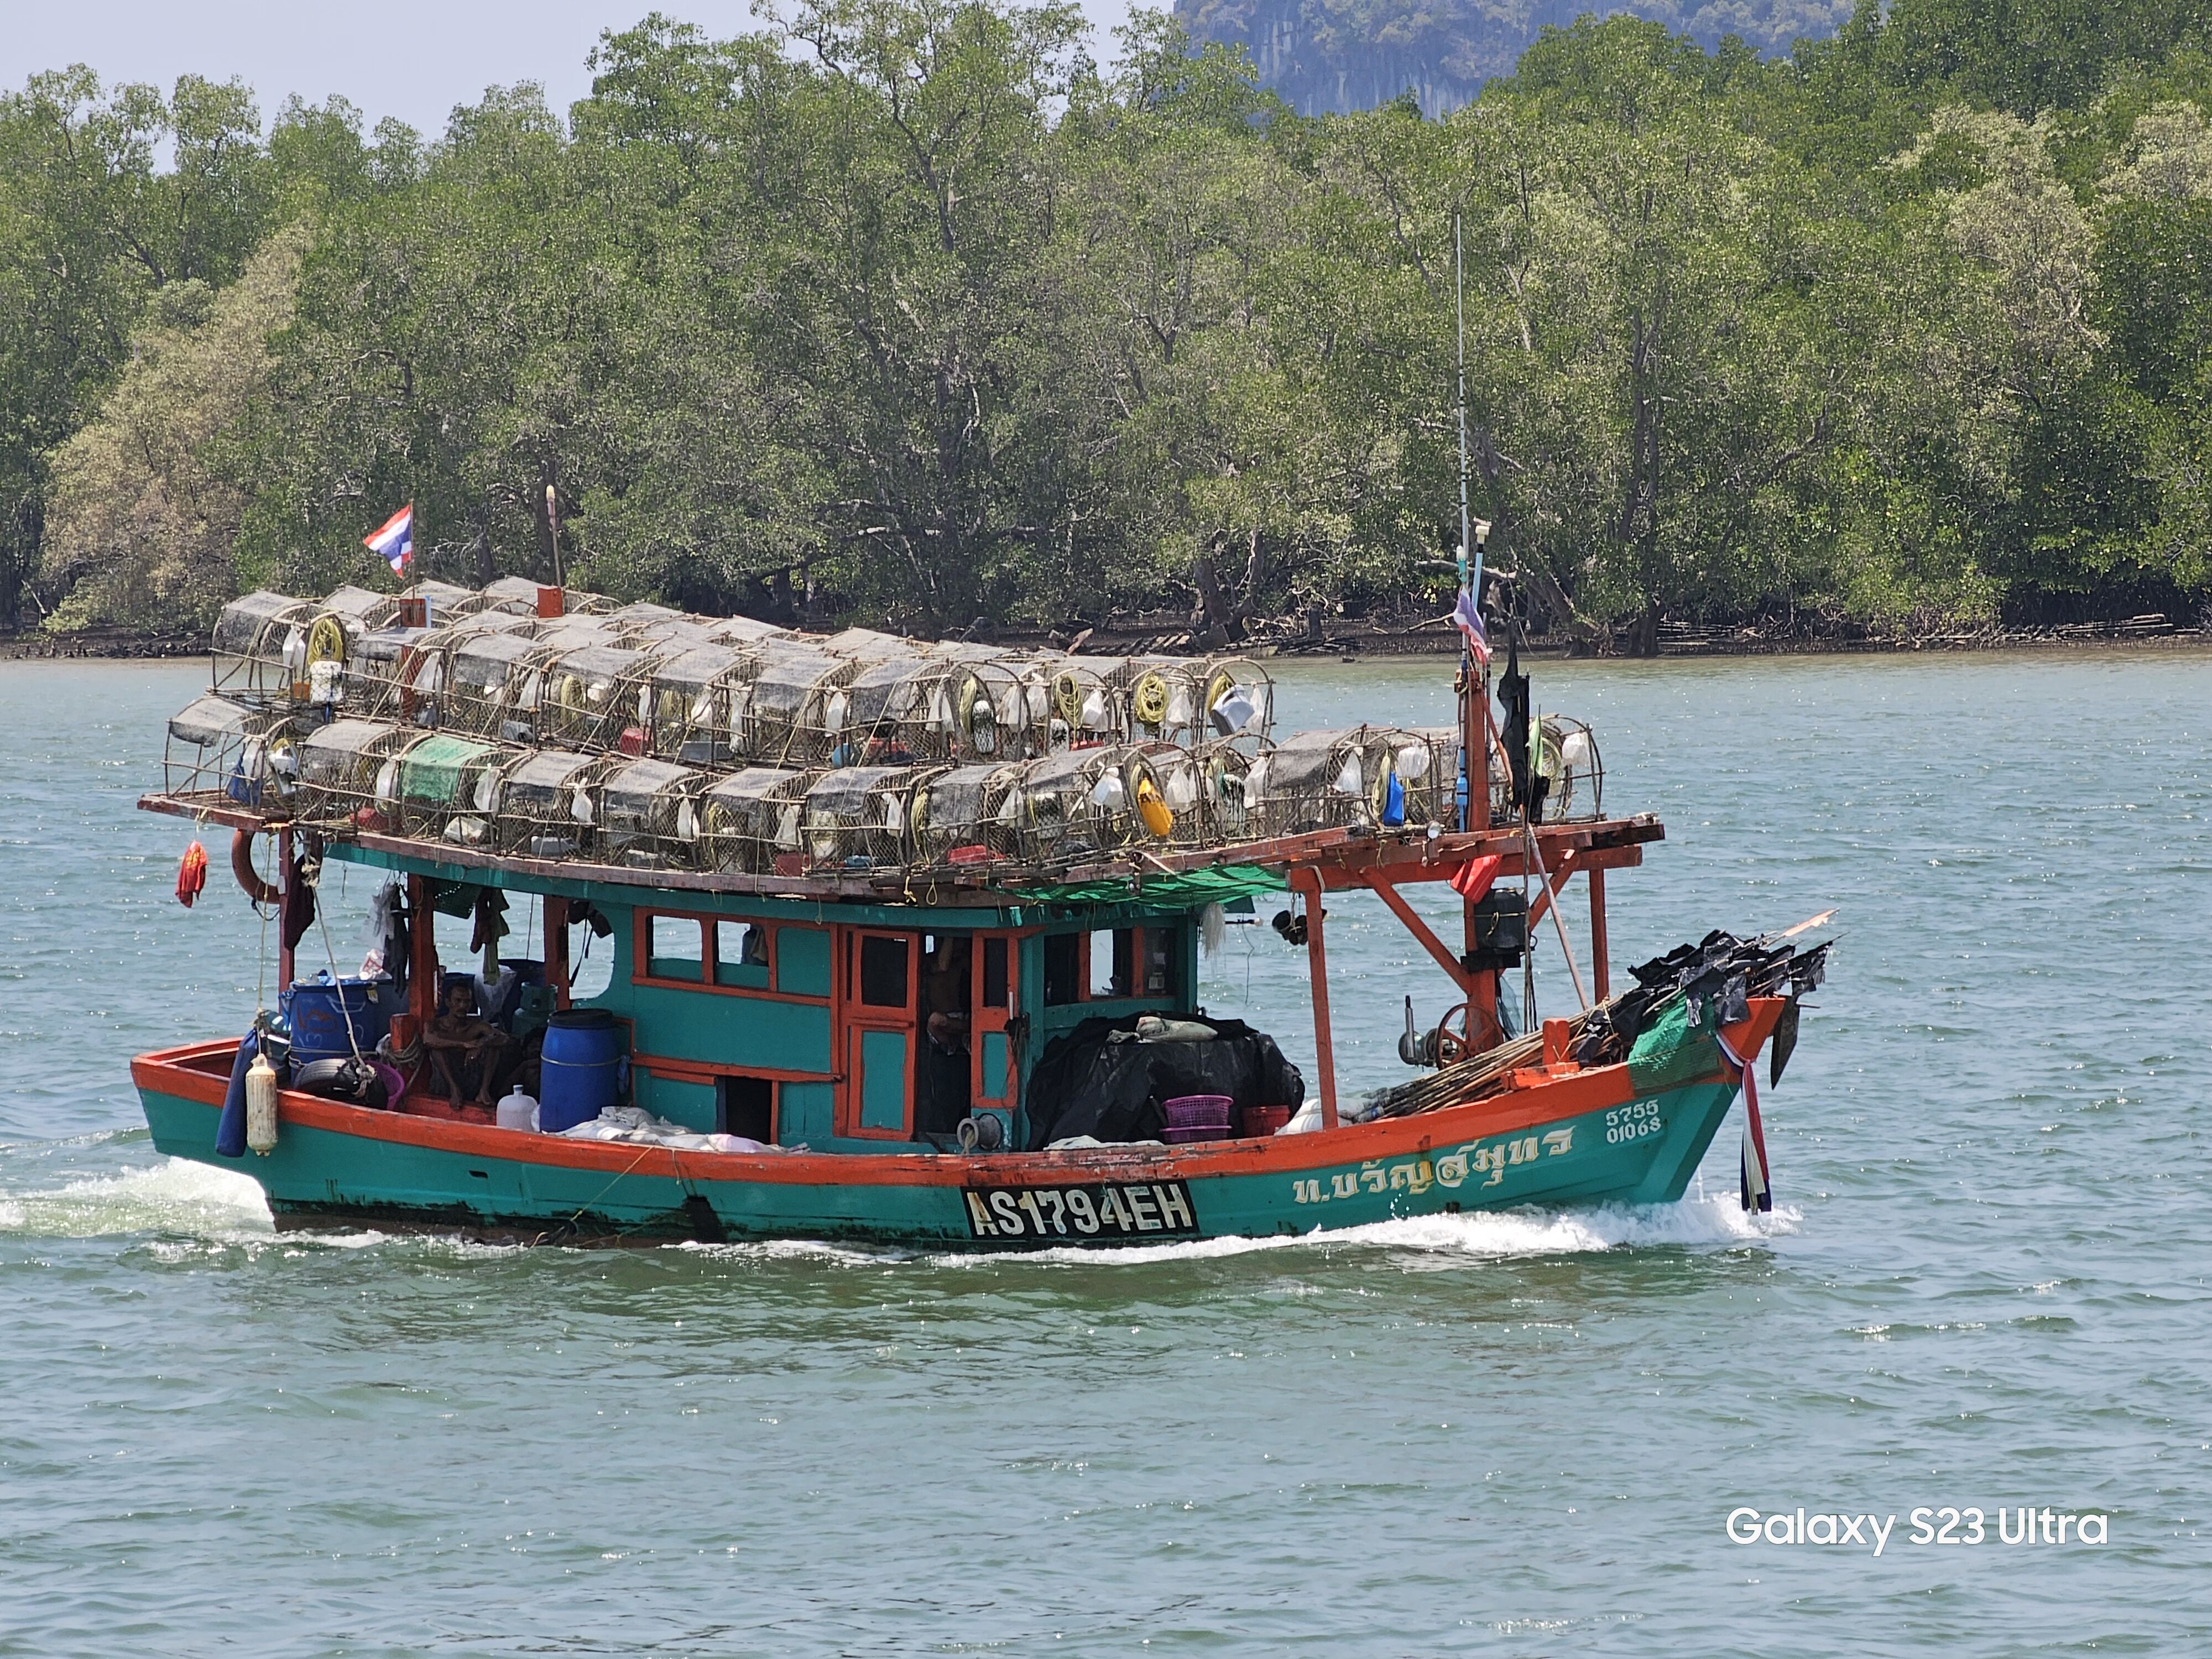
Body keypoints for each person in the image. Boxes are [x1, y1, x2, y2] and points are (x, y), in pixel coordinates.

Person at [423, 977, 514, 1108]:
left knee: (494, 1046)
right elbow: (428, 1040)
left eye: (467, 1002)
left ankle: (484, 1092)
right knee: (437, 1048)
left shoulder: (476, 1025)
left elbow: (503, 1038)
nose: (463, 1006)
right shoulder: (436, 1025)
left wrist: (482, 1043)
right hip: (445, 1082)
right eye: (458, 1001)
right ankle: (455, 1090)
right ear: (448, 1002)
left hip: (471, 1077)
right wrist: (464, 1045)